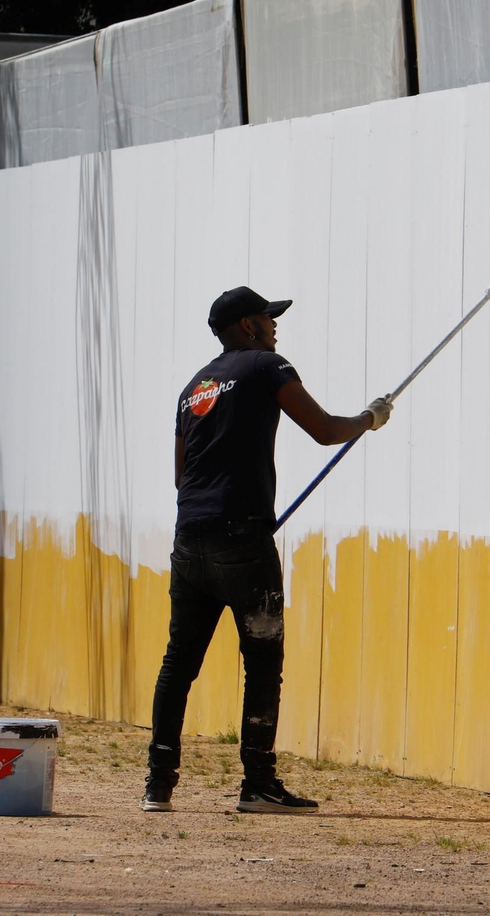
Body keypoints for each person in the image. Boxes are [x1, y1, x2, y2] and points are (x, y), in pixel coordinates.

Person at [144, 286, 393, 815]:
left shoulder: (193, 387)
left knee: (178, 663)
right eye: (268, 317)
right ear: (249, 327)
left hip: (190, 537)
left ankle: (158, 785)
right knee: (262, 660)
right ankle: (258, 783)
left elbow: (180, 475)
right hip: (243, 539)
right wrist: (370, 418)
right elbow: (325, 431)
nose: (275, 325)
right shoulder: (266, 365)